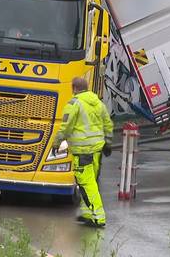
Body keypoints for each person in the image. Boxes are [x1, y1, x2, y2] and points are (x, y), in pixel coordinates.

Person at [54, 77, 113, 228]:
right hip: (97, 150)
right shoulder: (98, 102)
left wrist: (57, 143)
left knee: (87, 184)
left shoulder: (74, 104)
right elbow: (107, 122)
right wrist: (109, 142)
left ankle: (99, 217)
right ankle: (88, 214)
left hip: (83, 151)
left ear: (73, 88)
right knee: (91, 182)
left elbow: (65, 127)